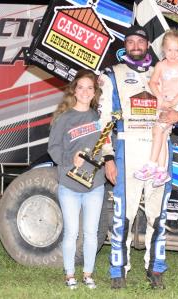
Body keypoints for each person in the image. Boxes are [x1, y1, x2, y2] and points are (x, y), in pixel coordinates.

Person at [97, 25, 178, 289]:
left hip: (159, 151)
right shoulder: (112, 74)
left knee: (157, 215)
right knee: (122, 215)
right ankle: (118, 271)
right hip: (128, 150)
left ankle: (155, 268)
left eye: (141, 41)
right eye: (131, 41)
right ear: (125, 45)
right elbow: (103, 119)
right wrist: (107, 157)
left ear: (148, 45)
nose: (136, 45)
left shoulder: (165, 69)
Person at [48, 69, 114, 290]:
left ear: (94, 92)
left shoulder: (100, 117)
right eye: (81, 87)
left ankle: (87, 273)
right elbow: (53, 148)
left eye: (90, 88)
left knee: (91, 232)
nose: (85, 91)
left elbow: (107, 145)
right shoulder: (64, 119)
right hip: (69, 184)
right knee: (71, 232)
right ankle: (69, 274)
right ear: (74, 90)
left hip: (94, 184)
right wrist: (69, 160)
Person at [133, 29, 178, 187]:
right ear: (164, 49)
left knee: (157, 130)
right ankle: (161, 171)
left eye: (177, 50)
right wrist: (159, 97)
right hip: (163, 102)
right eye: (170, 49)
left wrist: (173, 103)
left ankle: (151, 165)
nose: (173, 54)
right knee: (163, 135)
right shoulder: (160, 65)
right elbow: (152, 82)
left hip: (177, 103)